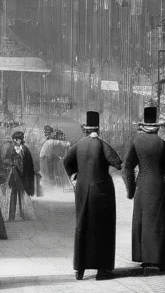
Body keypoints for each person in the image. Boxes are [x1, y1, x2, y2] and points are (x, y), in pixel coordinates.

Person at [63, 109, 122, 281]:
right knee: (102, 228)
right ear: (98, 129)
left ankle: (80, 270)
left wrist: (75, 173)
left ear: (86, 129)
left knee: (82, 225)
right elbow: (118, 163)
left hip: (82, 189)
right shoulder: (103, 145)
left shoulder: (78, 145)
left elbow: (66, 161)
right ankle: (102, 270)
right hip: (101, 191)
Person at [122, 106, 165, 273]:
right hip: (160, 186)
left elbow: (127, 166)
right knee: (159, 223)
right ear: (156, 126)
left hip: (143, 185)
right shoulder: (162, 143)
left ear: (143, 125)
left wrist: (131, 189)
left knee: (143, 222)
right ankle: (160, 260)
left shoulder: (135, 141)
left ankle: (145, 259)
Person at [3, 130, 38, 222]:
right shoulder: (10, 149)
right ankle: (11, 216)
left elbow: (29, 164)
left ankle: (24, 214)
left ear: (21, 140)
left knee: (23, 194)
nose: (15, 141)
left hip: (23, 175)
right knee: (13, 194)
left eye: (17, 139)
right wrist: (11, 164)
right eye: (14, 139)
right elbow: (6, 160)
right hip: (13, 175)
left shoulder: (25, 150)